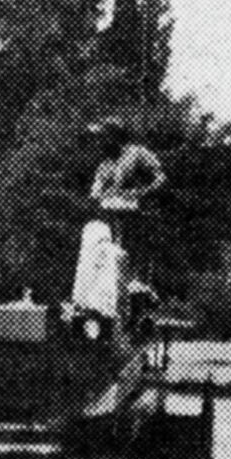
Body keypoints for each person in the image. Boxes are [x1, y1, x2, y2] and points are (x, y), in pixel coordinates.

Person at [72, 120, 166, 325]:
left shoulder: (137, 153)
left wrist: (141, 192)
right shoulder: (105, 164)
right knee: (106, 253)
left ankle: (139, 293)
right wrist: (99, 194)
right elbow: (95, 193)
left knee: (131, 258)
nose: (100, 142)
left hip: (138, 216)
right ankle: (100, 303)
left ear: (114, 136)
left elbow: (160, 177)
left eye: (103, 137)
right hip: (112, 216)